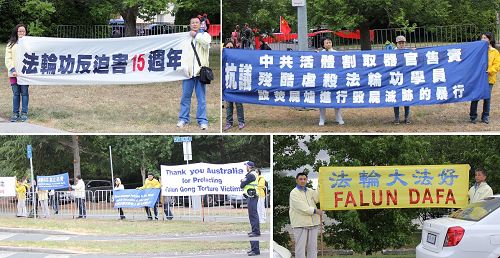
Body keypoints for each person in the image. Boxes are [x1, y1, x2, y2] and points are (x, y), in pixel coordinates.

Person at [177, 17, 212, 130]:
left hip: (200, 72)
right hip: (188, 73)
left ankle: (202, 120)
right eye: (193, 23)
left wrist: (195, 35)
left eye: (197, 23)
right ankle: (183, 119)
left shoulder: (205, 35)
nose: (195, 24)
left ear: (200, 24)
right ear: (190, 24)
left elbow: (206, 43)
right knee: (185, 97)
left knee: (201, 98)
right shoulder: (185, 37)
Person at [470, 32, 500, 124]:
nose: (482, 39)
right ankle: (473, 116)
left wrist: (490, 70)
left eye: (485, 38)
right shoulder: (477, 51)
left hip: (489, 78)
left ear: (489, 39)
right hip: (478, 78)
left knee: (487, 98)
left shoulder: (494, 52)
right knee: (475, 97)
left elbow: (497, 65)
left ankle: (485, 116)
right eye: (482, 38)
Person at [289, 173, 322, 258]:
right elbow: (301, 207)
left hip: (313, 223)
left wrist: (320, 185)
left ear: (307, 180)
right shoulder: (294, 193)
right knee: (300, 248)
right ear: (296, 180)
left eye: (304, 179)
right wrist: (315, 211)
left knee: (313, 248)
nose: (303, 181)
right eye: (300, 179)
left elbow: (317, 199)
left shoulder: (310, 191)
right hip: (300, 224)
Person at [4, 24, 29, 122]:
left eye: (23, 31)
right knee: (16, 93)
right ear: (16, 32)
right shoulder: (11, 44)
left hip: (25, 74)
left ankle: (24, 113)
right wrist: (12, 69)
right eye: (20, 31)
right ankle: (15, 113)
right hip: (13, 74)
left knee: (25, 93)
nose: (22, 33)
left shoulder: (29, 43)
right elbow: (8, 58)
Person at [319, 37, 344, 126]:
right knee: (322, 99)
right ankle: (322, 119)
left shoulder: (336, 54)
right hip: (323, 80)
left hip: (334, 79)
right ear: (323, 44)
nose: (329, 44)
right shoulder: (319, 54)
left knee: (336, 98)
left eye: (330, 42)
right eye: (327, 42)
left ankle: (338, 117)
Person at [223, 40, 245, 131]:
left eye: (231, 47)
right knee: (229, 104)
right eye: (227, 47)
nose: (229, 49)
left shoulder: (237, 56)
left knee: (239, 104)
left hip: (237, 83)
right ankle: (229, 122)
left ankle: (241, 121)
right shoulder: (223, 57)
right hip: (228, 84)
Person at [240, 161, 260, 256]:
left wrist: (242, 182)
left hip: (252, 196)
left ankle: (255, 231)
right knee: (252, 216)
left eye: (246, 166)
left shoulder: (251, 175)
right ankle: (255, 247)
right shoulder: (251, 174)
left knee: (253, 215)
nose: (245, 167)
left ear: (249, 167)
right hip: (251, 196)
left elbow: (242, 185)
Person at [393, 35, 411, 125]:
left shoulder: (408, 52)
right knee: (396, 97)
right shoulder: (392, 53)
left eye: (403, 43)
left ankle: (407, 117)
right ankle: (397, 117)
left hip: (406, 77)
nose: (401, 44)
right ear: (397, 43)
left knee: (406, 96)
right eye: (399, 43)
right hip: (396, 78)